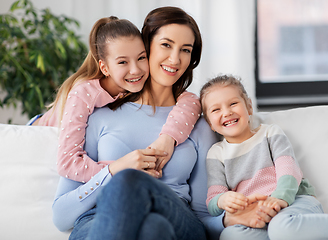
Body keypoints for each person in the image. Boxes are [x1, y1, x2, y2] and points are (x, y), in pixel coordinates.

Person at [52, 7, 221, 240]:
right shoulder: (99, 115)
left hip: (176, 216)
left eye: (185, 50)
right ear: (146, 45)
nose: (175, 58)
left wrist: (234, 219)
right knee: (152, 228)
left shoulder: (198, 124)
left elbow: (203, 216)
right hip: (99, 220)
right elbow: (61, 216)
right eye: (166, 45)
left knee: (138, 190)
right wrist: (115, 171)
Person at [29, 16, 201, 183]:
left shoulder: (135, 84)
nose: (135, 70)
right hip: (36, 133)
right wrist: (120, 170)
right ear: (104, 67)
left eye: (141, 58)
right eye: (122, 62)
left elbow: (191, 102)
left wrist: (168, 138)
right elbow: (67, 164)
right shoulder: (83, 94)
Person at [199, 74, 328, 240]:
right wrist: (222, 200)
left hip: (294, 202)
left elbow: (288, 171)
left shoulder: (270, 133)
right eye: (216, 110)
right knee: (231, 235)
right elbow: (213, 200)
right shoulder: (216, 154)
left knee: (281, 228)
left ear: (248, 107)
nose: (227, 112)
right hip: (257, 215)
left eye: (233, 103)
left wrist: (279, 198)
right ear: (210, 123)